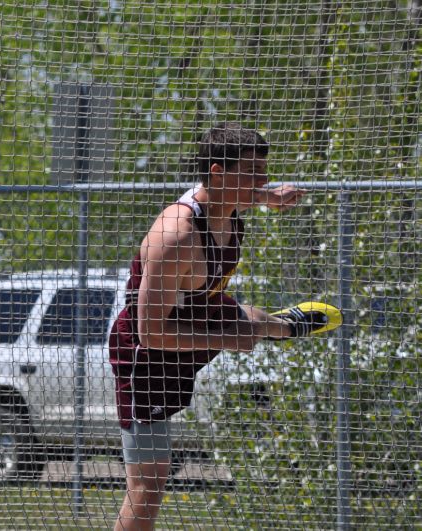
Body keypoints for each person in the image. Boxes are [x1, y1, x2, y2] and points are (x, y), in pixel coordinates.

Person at [108, 123, 341, 530]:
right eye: (252, 172)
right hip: (147, 355)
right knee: (148, 486)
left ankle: (285, 326)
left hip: (200, 311)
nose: (263, 181)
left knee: (247, 317)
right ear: (217, 172)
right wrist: (226, 341)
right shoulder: (175, 237)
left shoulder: (231, 205)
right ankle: (267, 328)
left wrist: (270, 197)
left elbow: (252, 193)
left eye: (264, 172)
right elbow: (150, 333)